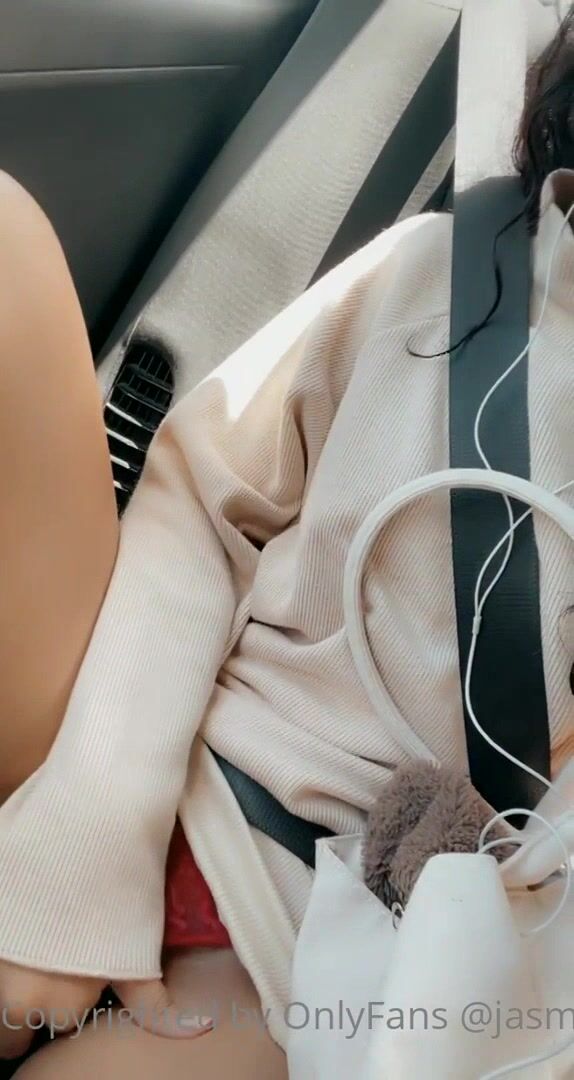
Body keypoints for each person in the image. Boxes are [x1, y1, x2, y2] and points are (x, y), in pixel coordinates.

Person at [0, 11, 573, 1078]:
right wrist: (90, 831)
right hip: (153, 744)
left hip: (324, 933)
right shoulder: (435, 272)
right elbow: (200, 502)